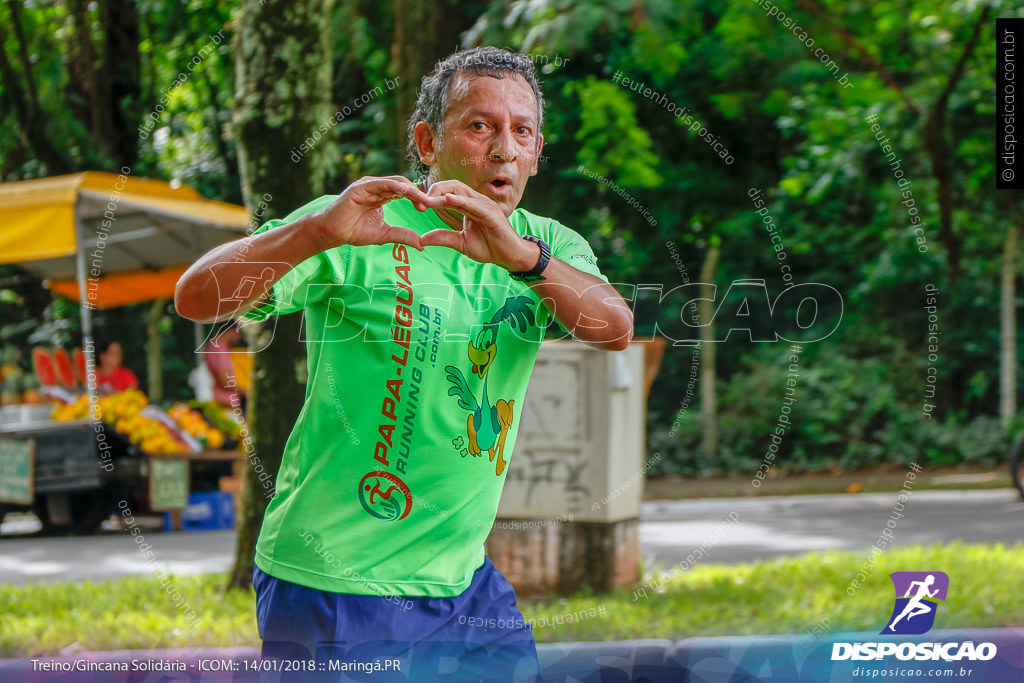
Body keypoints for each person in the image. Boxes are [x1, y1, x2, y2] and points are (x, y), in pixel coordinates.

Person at [175, 46, 634, 682]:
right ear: (426, 141)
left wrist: (525, 261)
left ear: (535, 150)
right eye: (480, 126)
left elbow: (613, 329)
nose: (504, 149)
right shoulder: (356, 223)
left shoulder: (547, 245)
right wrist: (315, 233)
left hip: (465, 583)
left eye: (521, 131)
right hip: (336, 583)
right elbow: (196, 298)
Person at [204, 322, 247, 410]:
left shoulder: (219, 346)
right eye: (240, 333)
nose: (239, 338)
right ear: (232, 331)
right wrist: (246, 391)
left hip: (225, 400)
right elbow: (224, 380)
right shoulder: (219, 347)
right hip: (225, 401)